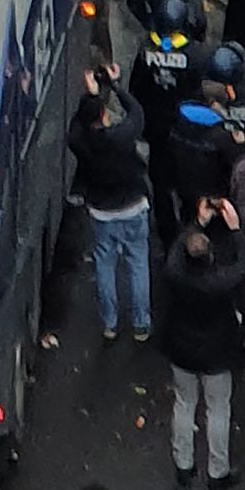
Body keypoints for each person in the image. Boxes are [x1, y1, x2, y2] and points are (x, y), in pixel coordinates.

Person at [157, 199, 245, 488]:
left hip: (182, 349)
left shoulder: (176, 274)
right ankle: (217, 471)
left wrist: (196, 223)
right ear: (211, 257)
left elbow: (177, 249)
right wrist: (236, 228)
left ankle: (184, 464)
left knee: (184, 403)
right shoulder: (221, 282)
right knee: (218, 409)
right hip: (217, 353)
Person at [74, 68, 155, 343]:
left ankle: (110, 323)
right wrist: (116, 86)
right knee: (137, 265)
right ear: (104, 116)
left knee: (104, 266)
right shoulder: (122, 137)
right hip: (132, 206)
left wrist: (90, 97)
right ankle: (141, 323)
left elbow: (77, 125)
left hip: (101, 212)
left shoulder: (80, 142)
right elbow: (137, 113)